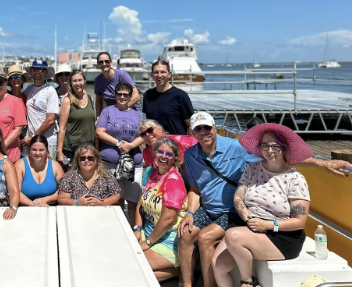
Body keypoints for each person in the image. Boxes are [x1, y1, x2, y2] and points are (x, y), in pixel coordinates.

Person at [178, 111, 351, 287]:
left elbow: (280, 160)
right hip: (224, 213)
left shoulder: (238, 149)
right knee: (186, 235)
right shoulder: (195, 156)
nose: (203, 131)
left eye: (207, 127)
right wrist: (190, 212)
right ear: (192, 132)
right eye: (198, 128)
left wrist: (323, 163)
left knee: (208, 238)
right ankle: (186, 284)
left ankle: (241, 282)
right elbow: (198, 190)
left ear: (215, 128)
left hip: (248, 220)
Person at [213, 124, 312, 287]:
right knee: (218, 265)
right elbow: (239, 197)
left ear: (284, 147)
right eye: (265, 145)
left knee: (233, 236)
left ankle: (247, 281)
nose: (270, 150)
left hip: (280, 234)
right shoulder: (253, 168)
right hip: (251, 225)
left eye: (275, 146)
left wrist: (268, 225)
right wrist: (247, 217)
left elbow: (299, 221)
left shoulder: (295, 178)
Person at [134, 137, 188, 282]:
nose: (164, 156)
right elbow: (141, 202)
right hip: (148, 231)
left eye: (169, 154)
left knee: (134, 269)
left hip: (168, 240)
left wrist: (148, 243)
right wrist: (137, 228)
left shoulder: (173, 180)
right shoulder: (153, 174)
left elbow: (168, 219)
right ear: (155, 153)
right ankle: (181, 269)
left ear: (175, 158)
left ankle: (183, 268)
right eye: (161, 152)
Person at [96, 81, 144, 222]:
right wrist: (118, 143)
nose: (122, 97)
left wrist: (130, 146)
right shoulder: (107, 111)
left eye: (126, 95)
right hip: (110, 164)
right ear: (115, 95)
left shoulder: (138, 115)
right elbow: (99, 132)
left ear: (130, 97)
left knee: (134, 201)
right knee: (116, 199)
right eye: (119, 94)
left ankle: (134, 229)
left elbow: (144, 135)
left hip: (134, 164)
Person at [142, 60, 194, 137]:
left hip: (176, 145)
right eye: (156, 72)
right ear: (152, 75)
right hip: (154, 144)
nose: (159, 75)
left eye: (163, 72)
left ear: (169, 74)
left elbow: (191, 125)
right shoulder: (148, 95)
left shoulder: (180, 95)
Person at [57, 70, 96, 166]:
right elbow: (62, 128)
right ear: (70, 83)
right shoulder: (67, 101)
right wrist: (59, 152)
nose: (78, 83)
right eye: (74, 81)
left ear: (85, 81)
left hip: (88, 149)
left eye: (80, 80)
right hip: (71, 149)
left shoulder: (90, 99)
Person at [23, 59, 60, 158]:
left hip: (47, 141)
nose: (37, 72)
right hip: (31, 142)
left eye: (41, 70)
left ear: (45, 72)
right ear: (31, 71)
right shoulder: (28, 89)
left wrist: (34, 137)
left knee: (48, 171)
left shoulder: (50, 91)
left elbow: (50, 120)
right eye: (35, 69)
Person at [16, 135, 64, 206]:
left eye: (41, 150)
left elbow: (64, 191)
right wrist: (33, 205)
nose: (37, 153)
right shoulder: (20, 165)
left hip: (50, 207)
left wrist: (45, 200)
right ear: (29, 149)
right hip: (26, 208)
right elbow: (15, 191)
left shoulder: (55, 166)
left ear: (47, 150)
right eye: (34, 150)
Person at [93, 51, 141, 117]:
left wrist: (120, 111)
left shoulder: (122, 75)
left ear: (111, 62)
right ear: (98, 64)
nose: (104, 64)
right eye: (101, 62)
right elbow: (98, 101)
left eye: (107, 61)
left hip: (131, 109)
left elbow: (136, 97)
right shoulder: (98, 80)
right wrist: (98, 117)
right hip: (112, 113)